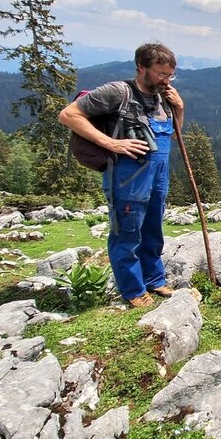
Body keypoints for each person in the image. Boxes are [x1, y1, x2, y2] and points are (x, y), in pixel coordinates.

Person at [59, 42, 184, 308]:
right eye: (161, 74)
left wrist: (180, 109)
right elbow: (69, 115)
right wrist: (112, 143)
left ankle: (155, 280)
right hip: (128, 176)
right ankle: (133, 291)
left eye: (170, 75)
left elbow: (173, 136)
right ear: (141, 67)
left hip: (158, 174)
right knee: (127, 233)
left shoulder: (164, 96)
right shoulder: (118, 92)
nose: (166, 80)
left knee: (153, 230)